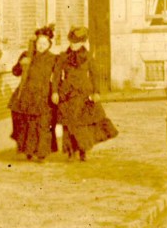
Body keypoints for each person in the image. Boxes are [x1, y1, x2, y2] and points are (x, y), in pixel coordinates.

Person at [52, 26, 118, 160]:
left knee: (83, 123)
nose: (73, 45)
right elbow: (57, 75)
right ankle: (70, 151)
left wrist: (96, 92)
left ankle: (83, 150)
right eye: (71, 41)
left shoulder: (87, 56)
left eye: (76, 42)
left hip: (83, 93)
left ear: (82, 43)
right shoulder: (63, 57)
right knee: (68, 123)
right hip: (67, 93)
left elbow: (95, 75)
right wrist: (55, 92)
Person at [8, 24, 58, 162]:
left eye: (44, 43)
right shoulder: (27, 54)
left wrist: (55, 92)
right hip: (26, 93)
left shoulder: (53, 58)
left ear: (49, 44)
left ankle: (42, 153)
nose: (41, 46)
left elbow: (58, 76)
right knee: (27, 122)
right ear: (35, 43)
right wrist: (21, 64)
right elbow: (15, 72)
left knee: (42, 123)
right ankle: (28, 150)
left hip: (43, 93)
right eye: (39, 43)